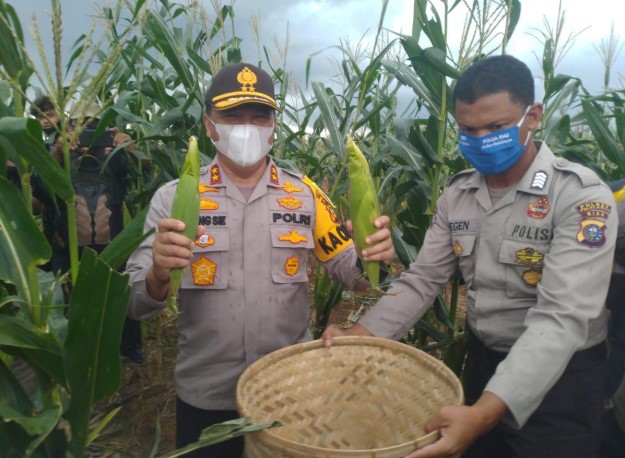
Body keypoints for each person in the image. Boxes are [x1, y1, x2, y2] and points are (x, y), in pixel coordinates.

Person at [323, 54, 616, 458]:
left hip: (562, 378)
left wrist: (483, 414)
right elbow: (424, 280)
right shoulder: (456, 196)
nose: (480, 140)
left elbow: (561, 317)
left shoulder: (578, 196)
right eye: (468, 130)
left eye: (496, 128)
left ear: (532, 116)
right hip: (482, 363)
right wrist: (359, 337)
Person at [124, 62, 395, 457]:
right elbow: (134, 304)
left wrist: (376, 258)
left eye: (259, 115)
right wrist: (159, 273)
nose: (246, 126)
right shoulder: (173, 198)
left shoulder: (306, 196)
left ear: (273, 126)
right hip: (205, 394)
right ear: (209, 125)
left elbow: (354, 276)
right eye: (232, 115)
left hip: (287, 389)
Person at [45, 99, 145, 364]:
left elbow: (145, 170)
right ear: (69, 125)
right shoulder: (62, 152)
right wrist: (58, 150)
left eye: (93, 124)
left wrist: (129, 147)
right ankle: (80, 351)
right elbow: (40, 186)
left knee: (122, 291)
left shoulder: (115, 152)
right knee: (73, 298)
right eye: (81, 124)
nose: (88, 129)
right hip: (70, 244)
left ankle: (129, 345)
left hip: (113, 240)